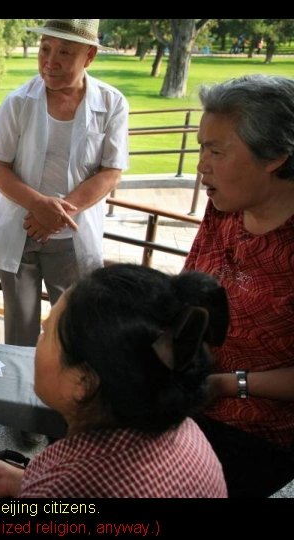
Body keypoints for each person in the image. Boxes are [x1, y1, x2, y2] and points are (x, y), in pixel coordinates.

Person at [0, 19, 128, 444]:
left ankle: (68, 418)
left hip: (72, 240)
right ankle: (22, 414)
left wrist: (58, 212)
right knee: (23, 331)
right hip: (21, 235)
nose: (51, 61)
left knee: (74, 334)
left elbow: (110, 171)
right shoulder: (18, 102)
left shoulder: (112, 103)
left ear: (90, 56)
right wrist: (38, 207)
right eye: (45, 49)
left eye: (64, 52)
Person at [0, 264, 228, 498]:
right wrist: (25, 483)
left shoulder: (73, 487)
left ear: (84, 382)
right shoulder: (184, 431)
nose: (38, 337)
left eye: (46, 333)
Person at [183, 75, 294, 497]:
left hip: (258, 431)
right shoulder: (224, 209)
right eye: (200, 148)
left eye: (216, 151)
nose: (200, 165)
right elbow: (189, 296)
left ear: (275, 156)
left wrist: (229, 383)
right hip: (191, 394)